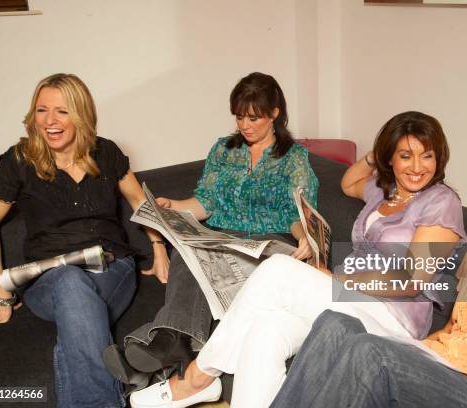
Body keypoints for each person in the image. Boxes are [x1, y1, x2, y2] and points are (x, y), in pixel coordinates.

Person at [130, 111, 467, 408]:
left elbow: (411, 281)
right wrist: (375, 153)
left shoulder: (440, 201)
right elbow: (350, 182)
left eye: (427, 156)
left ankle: (196, 379)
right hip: (349, 302)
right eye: (405, 156)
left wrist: (339, 280)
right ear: (390, 159)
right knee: (266, 331)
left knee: (277, 270)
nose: (418, 167)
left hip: (392, 317)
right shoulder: (385, 189)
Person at [269, 153, 467, 408]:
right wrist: (410, 353)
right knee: (334, 324)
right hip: (446, 365)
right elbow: (454, 329)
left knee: (370, 352)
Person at [104, 72, 319, 389]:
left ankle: (161, 354)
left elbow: (297, 212)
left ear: (274, 114)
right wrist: (172, 207)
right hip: (221, 236)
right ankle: (170, 340)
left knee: (260, 267)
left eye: (254, 118)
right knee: (188, 250)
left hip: (267, 244)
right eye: (239, 116)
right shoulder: (223, 150)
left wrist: (304, 236)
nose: (245, 125)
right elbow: (206, 202)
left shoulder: (294, 158)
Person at [0, 73, 169, 408]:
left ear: (81, 114)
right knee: (69, 281)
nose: (50, 121)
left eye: (62, 111)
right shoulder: (19, 161)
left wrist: (159, 248)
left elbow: (140, 201)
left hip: (111, 268)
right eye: (41, 110)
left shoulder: (105, 152)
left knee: (76, 325)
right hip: (48, 280)